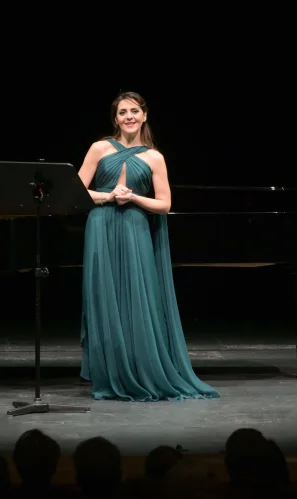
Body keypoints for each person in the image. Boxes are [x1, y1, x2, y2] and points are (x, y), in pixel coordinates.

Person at [77, 91, 220, 401]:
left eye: (134, 111)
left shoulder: (154, 157)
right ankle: (111, 374)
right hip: (101, 226)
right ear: (115, 119)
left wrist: (134, 198)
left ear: (144, 116)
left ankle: (142, 371)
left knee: (138, 299)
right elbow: (76, 193)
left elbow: (165, 204)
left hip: (135, 228)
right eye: (122, 112)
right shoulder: (99, 148)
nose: (129, 116)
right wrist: (108, 196)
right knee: (106, 298)